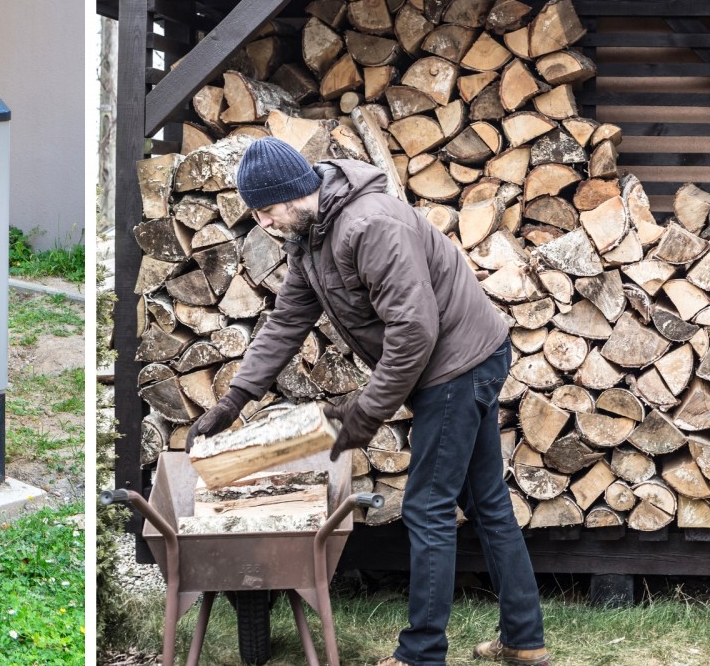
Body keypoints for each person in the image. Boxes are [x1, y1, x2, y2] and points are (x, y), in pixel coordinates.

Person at [185, 137, 549, 666]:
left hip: (457, 365)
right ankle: (524, 641)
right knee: (486, 502)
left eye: (266, 210)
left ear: (292, 194)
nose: (263, 222)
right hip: (456, 359)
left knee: (427, 507)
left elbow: (414, 331)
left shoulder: (369, 225)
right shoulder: (309, 235)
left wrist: (366, 412)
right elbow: (287, 320)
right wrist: (234, 400)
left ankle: (421, 655)